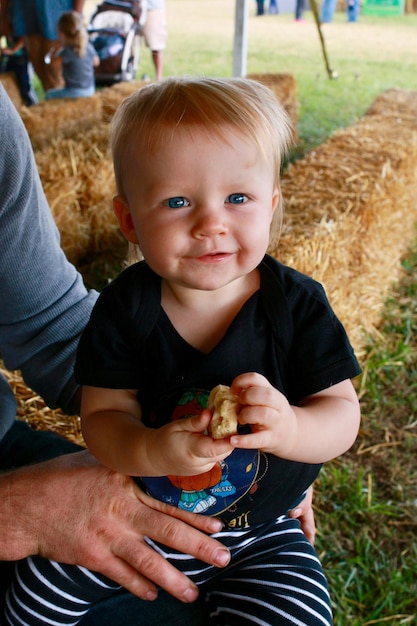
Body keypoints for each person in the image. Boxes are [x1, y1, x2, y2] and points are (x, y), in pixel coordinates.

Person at [5, 77, 361, 625]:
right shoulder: (125, 308)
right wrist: (151, 451)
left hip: (266, 529)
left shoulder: (295, 304)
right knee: (34, 595)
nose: (210, 223)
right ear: (130, 221)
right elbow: (104, 418)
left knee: (298, 613)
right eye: (176, 202)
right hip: (140, 510)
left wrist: (292, 431)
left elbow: (341, 413)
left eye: (237, 198)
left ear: (271, 206)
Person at [10, 0, 86, 92]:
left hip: (57, 21)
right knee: (42, 74)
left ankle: (58, 102)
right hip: (28, 21)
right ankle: (51, 101)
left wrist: (75, 19)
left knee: (54, 77)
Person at [44, 11, 98, 100]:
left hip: (75, 92)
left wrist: (54, 50)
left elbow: (52, 64)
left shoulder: (67, 51)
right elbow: (96, 62)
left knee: (49, 94)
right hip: (90, 90)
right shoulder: (88, 47)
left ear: (61, 34)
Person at [0, 0, 38, 106]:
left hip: (20, 55)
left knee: (24, 85)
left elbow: (25, 36)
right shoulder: (6, 14)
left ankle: (31, 104)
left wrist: (13, 50)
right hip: (11, 55)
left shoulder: (20, 11)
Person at [141, 0, 166, 81]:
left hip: (153, 7)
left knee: (156, 45)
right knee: (128, 45)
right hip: (131, 5)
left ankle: (159, 78)